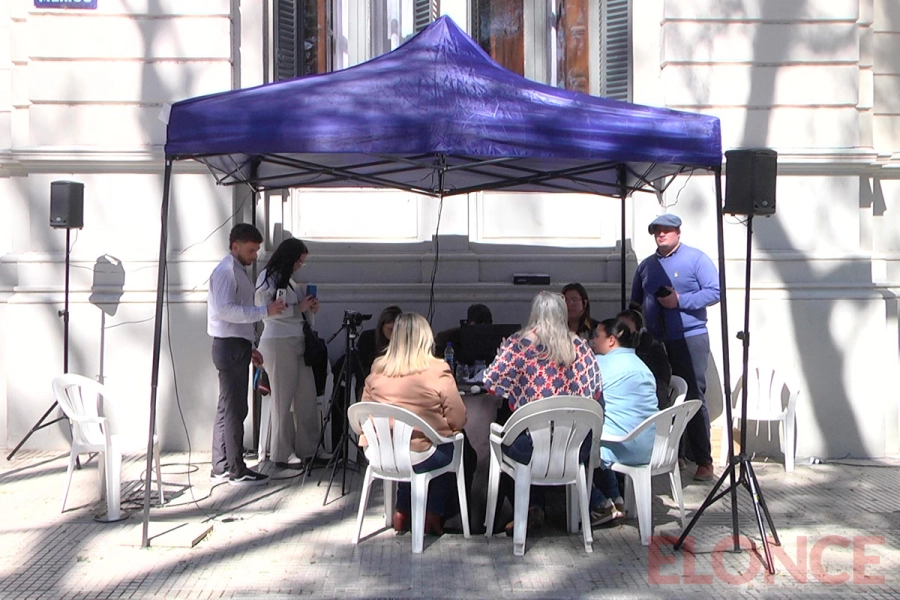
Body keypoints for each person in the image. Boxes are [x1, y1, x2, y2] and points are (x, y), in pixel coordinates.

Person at [482, 291, 603, 531]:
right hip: (574, 446)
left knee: (519, 432)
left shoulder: (518, 344)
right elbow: (597, 393)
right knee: (544, 430)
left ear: (534, 313)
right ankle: (539, 507)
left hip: (531, 447)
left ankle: (528, 508)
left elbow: (491, 386)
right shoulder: (581, 345)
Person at [360, 313, 467, 536]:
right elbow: (458, 419)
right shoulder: (438, 370)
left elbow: (363, 414)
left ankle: (402, 512)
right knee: (451, 448)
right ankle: (433, 514)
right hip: (422, 454)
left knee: (409, 447)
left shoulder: (377, 369)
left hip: (382, 454)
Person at [631, 213, 720, 481]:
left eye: (667, 230)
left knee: (692, 395)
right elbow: (635, 302)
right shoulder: (646, 266)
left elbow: (715, 291)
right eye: (657, 231)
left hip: (689, 337)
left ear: (678, 232)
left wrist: (679, 300)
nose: (661, 234)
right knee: (661, 396)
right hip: (655, 340)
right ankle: (673, 455)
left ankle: (703, 459)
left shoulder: (696, 259)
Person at [208, 224, 284, 485]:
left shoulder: (236, 271)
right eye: (251, 250)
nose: (254, 256)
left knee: (228, 406)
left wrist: (249, 344)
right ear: (235, 246)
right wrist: (265, 311)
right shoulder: (227, 271)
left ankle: (221, 464)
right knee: (235, 408)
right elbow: (226, 310)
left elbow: (234, 313)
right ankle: (235, 468)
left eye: (256, 250)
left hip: (235, 344)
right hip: (229, 345)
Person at [255, 237, 320, 469]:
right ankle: (281, 452)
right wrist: (298, 308)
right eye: (298, 261)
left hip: (297, 340)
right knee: (282, 400)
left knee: (306, 397)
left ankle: (309, 448)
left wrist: (309, 309)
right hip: (278, 342)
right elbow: (267, 312)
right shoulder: (267, 278)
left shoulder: (290, 282)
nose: (299, 265)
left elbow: (296, 314)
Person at [588, 318, 660, 524]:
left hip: (621, 447)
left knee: (577, 443)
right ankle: (616, 499)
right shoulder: (643, 366)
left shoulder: (598, 364)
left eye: (596, 336)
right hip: (652, 446)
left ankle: (599, 503)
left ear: (611, 340)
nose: (592, 340)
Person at [617, 309, 673, 409]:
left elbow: (660, 390)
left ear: (639, 333)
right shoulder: (614, 355)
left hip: (649, 409)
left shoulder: (653, 352)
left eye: (627, 331)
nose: (622, 336)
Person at [357, 305, 402, 378]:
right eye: (390, 329)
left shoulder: (405, 341)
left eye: (397, 330)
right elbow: (363, 367)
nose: (394, 333)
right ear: (382, 327)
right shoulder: (368, 339)